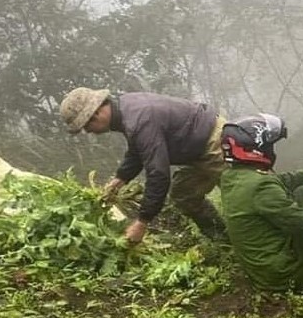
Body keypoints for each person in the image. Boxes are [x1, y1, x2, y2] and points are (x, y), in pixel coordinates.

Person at [59, 87, 226, 243]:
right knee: (184, 194)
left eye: (86, 126)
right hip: (194, 150)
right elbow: (137, 150)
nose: (88, 131)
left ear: (95, 114)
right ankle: (222, 239)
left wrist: (142, 222)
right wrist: (121, 178)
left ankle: (245, 245)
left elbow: (158, 174)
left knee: (240, 198)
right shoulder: (126, 110)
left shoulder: (139, 119)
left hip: (215, 142)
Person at [219, 113, 303, 291]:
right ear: (256, 149)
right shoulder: (261, 187)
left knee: (302, 191)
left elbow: (285, 180)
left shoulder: (233, 176)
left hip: (263, 268)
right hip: (285, 273)